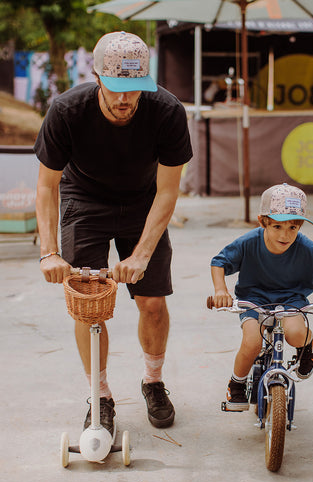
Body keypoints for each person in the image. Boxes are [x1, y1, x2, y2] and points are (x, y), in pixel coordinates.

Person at [35, 31, 193, 431]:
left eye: (134, 90)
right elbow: (46, 186)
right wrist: (49, 252)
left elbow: (168, 190)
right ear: (98, 77)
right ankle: (100, 394)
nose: (125, 99)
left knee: (153, 301)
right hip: (84, 197)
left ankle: (153, 382)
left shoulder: (166, 111)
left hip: (144, 200)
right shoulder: (67, 111)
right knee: (91, 306)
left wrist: (140, 254)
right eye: (117, 89)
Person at [210, 183, 313, 411]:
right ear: (262, 221)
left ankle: (307, 345)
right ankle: (236, 383)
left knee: (295, 333)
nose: (285, 235)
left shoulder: (305, 247)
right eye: (277, 226)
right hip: (254, 299)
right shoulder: (249, 243)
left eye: (293, 227)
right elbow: (219, 262)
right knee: (252, 342)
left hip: (291, 300)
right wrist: (220, 291)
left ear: (300, 226)